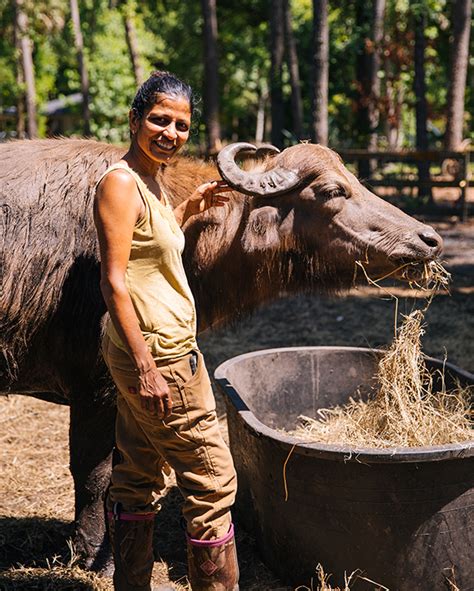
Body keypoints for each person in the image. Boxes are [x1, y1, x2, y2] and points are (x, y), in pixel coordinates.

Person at [93, 71, 239, 591]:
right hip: (161, 358)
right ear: (135, 120)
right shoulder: (119, 182)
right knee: (214, 482)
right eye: (158, 119)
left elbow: (148, 244)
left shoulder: (150, 180)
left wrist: (189, 210)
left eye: (180, 124)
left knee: (136, 476)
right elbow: (113, 281)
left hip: (154, 352)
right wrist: (148, 369)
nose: (170, 132)